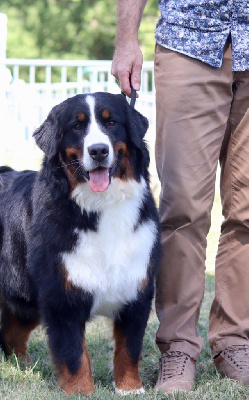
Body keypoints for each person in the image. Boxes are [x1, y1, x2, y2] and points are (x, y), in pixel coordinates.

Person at [111, 0, 249, 394]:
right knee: (183, 208)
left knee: (247, 213)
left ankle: (235, 341)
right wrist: (126, 41)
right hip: (190, 42)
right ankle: (178, 347)